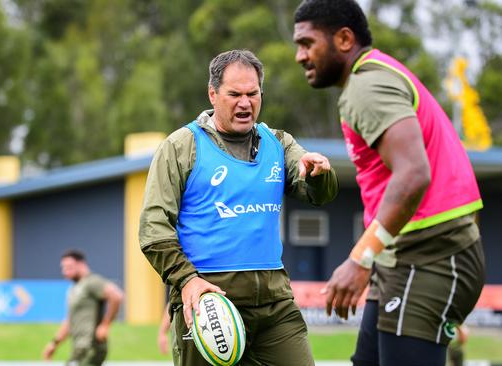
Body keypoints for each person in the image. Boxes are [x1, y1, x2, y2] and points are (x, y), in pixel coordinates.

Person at [292, 1, 486, 365]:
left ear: (345, 39)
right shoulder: (374, 77)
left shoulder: (367, 85)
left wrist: (359, 258)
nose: (300, 56)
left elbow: (414, 175)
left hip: (432, 256)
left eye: (307, 43)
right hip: (402, 257)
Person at [139, 49, 339, 366]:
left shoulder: (279, 142)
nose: (245, 103)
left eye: (253, 93)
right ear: (213, 94)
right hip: (209, 304)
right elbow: (153, 230)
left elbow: (316, 193)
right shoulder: (181, 147)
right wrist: (187, 279)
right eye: (235, 94)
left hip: (275, 304)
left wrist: (317, 175)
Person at [42, 250, 124, 366]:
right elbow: (69, 321)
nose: (65, 272)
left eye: (69, 267)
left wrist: (105, 324)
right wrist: (54, 343)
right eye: (63, 268)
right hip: (79, 347)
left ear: (82, 264)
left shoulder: (92, 281)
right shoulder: (74, 289)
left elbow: (116, 296)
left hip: (90, 346)